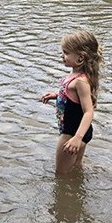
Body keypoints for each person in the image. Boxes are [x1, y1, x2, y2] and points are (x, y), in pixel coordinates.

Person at [40, 30, 103, 175]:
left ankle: (67, 195)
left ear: (80, 58)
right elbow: (74, 99)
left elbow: (88, 111)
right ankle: (81, 184)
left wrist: (76, 138)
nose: (62, 56)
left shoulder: (81, 81)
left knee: (60, 174)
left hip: (71, 134)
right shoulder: (76, 74)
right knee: (75, 167)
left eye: (66, 53)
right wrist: (57, 95)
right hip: (81, 132)